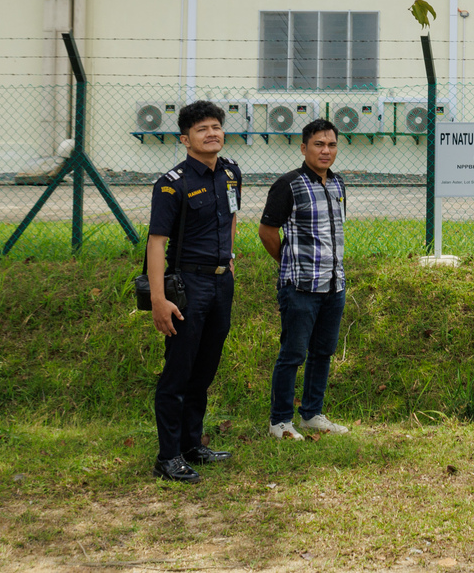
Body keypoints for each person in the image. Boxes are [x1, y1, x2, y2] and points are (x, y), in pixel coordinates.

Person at [147, 101, 243, 483]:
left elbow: (232, 217)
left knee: (204, 369)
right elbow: (156, 243)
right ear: (186, 139)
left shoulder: (232, 173)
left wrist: (230, 258)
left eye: (217, 127)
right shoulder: (172, 183)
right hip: (187, 285)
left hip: (221, 283)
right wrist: (159, 298)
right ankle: (167, 457)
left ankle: (191, 446)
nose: (212, 133)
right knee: (178, 373)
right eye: (203, 129)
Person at [259, 118, 351, 441]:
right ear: (303, 148)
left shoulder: (338, 184)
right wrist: (290, 262)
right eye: (318, 144)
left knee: (322, 352)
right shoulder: (288, 185)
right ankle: (280, 421)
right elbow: (267, 232)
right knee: (293, 354)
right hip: (300, 288)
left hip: (333, 285)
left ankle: (312, 413)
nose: (326, 151)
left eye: (331, 145)